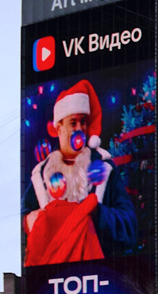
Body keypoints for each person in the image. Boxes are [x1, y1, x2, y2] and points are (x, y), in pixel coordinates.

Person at [23, 79, 137, 266]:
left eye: (83, 122)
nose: (79, 130)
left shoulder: (104, 169)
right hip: (50, 279)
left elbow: (130, 227)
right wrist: (28, 221)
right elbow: (19, 227)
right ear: (58, 128)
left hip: (98, 277)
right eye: (72, 123)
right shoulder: (40, 176)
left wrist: (97, 214)